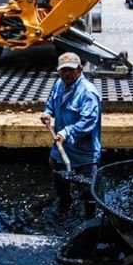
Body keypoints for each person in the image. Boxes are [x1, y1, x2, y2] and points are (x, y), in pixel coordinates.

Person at [40, 52, 102, 214]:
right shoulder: (59, 84)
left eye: (71, 70)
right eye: (63, 70)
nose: (66, 74)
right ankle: (64, 210)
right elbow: (51, 102)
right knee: (61, 184)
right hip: (61, 150)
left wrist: (67, 132)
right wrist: (48, 112)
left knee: (88, 193)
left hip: (84, 154)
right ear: (58, 71)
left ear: (80, 69)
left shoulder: (88, 93)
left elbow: (88, 121)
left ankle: (90, 219)